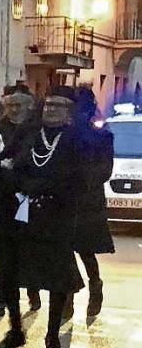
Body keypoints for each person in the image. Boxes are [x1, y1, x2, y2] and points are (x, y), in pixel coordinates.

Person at [11, 85, 87, 348]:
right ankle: (15, 328)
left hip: (60, 216)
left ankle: (52, 334)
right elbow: (14, 164)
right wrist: (27, 187)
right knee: (20, 274)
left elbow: (80, 178)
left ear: (69, 112)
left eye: (58, 106)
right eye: (48, 104)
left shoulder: (75, 139)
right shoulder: (30, 135)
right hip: (28, 213)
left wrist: (48, 188)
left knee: (57, 280)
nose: (51, 110)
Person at [0, 90, 36, 320]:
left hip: (27, 198)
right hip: (0, 199)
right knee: (0, 252)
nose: (14, 109)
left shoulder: (35, 129)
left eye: (18, 105)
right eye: (10, 105)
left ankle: (33, 294)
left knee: (28, 250)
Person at [71, 87, 114, 318]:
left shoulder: (102, 136)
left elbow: (105, 169)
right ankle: (67, 292)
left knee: (86, 250)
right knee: (63, 249)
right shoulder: (65, 134)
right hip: (65, 199)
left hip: (88, 199)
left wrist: (83, 180)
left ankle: (95, 286)